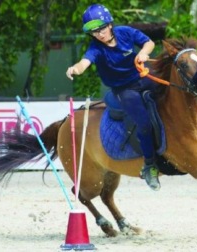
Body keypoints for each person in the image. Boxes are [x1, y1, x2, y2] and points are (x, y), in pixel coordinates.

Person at [66, 4, 160, 191]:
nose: (99, 34)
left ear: (109, 24)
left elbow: (149, 43)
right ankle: (149, 166)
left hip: (142, 78)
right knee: (143, 123)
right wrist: (75, 68)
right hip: (123, 90)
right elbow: (85, 62)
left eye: (101, 28)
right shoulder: (96, 48)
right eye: (94, 32)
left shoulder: (125, 32)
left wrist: (143, 52)